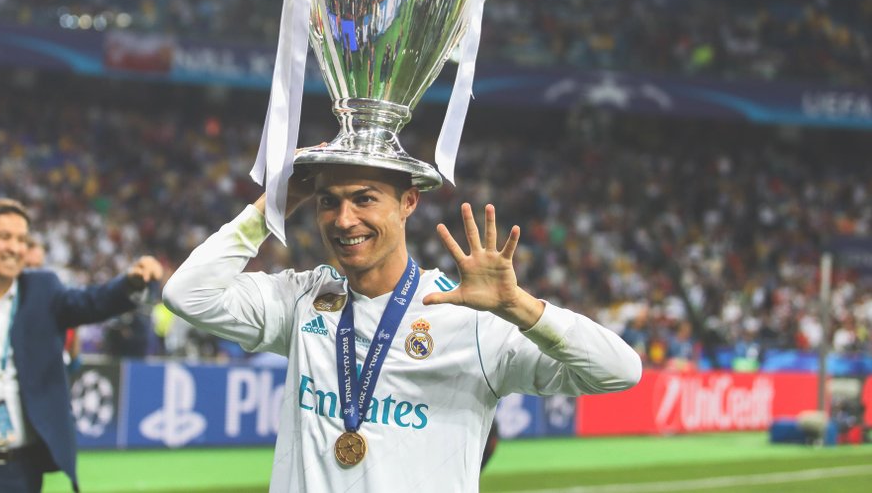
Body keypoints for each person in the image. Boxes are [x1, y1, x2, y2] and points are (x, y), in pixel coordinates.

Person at [164, 163, 642, 491]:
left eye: (364, 199)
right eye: (328, 201)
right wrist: (274, 204)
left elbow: (620, 371)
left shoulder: (473, 319)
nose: (343, 220)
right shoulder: (303, 300)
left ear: (408, 202)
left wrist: (520, 306)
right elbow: (186, 294)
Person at [0, 197, 164, 492]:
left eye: (21, 239)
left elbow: (92, 302)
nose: (15, 247)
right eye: (4, 237)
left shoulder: (43, 290)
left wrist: (131, 283)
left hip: (18, 471)